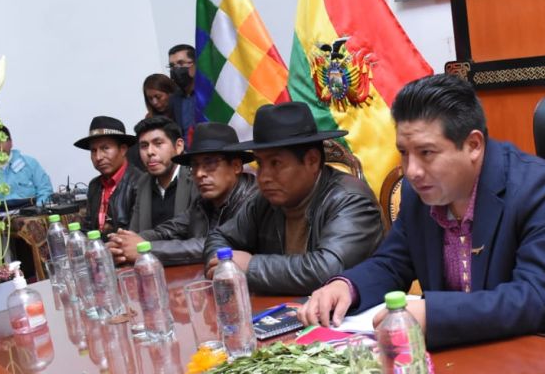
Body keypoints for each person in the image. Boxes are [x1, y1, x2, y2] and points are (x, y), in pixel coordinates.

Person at [300, 74, 545, 349]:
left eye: (427, 153)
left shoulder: (542, 190)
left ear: (473, 145)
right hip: (466, 353)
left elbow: (536, 299)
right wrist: (347, 287)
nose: (412, 171)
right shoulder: (418, 193)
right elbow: (392, 263)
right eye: (404, 153)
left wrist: (433, 316)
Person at [203, 102, 384, 294]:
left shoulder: (351, 198)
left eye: (276, 163)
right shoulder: (264, 200)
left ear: (312, 161)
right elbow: (219, 237)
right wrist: (225, 266)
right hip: (284, 306)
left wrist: (251, 266)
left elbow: (329, 269)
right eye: (260, 163)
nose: (263, 177)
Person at [108, 122, 256, 266]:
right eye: (194, 165)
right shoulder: (203, 203)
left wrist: (145, 249)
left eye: (210, 163)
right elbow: (168, 230)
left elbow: (215, 244)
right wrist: (124, 242)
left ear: (236, 166)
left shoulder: (253, 200)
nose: (199, 173)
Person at [128, 116, 197, 233]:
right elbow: (134, 232)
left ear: (179, 146)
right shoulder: (143, 182)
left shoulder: (195, 177)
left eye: (158, 143)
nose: (150, 152)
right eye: (144, 146)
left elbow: (199, 235)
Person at [75, 116, 142, 233]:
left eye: (105, 148)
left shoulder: (140, 182)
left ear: (123, 149)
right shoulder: (94, 185)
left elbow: (136, 232)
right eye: (93, 151)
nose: (98, 157)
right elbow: (88, 227)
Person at [0, 124, 54, 205]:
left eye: (2, 140)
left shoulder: (29, 163)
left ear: (11, 142)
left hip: (31, 211)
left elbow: (45, 190)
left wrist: (38, 208)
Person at [167, 43, 197, 143]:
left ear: (194, 65)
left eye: (180, 63)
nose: (176, 69)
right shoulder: (174, 99)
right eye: (172, 66)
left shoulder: (208, 94)